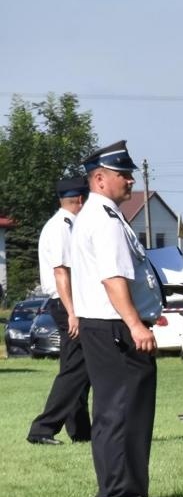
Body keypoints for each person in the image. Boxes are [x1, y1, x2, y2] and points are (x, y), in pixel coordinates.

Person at [71, 141, 165, 497]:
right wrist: (135, 325)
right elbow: (113, 278)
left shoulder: (98, 216)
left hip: (105, 325)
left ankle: (121, 488)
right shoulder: (106, 221)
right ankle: (120, 492)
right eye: (122, 174)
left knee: (117, 408)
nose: (130, 181)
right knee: (125, 409)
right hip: (116, 327)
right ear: (99, 179)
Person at [26, 175, 92, 446]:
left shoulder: (64, 224)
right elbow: (61, 272)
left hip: (70, 303)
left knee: (74, 367)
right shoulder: (63, 227)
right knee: (79, 368)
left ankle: (80, 430)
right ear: (80, 199)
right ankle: (43, 427)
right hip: (69, 303)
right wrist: (73, 311)